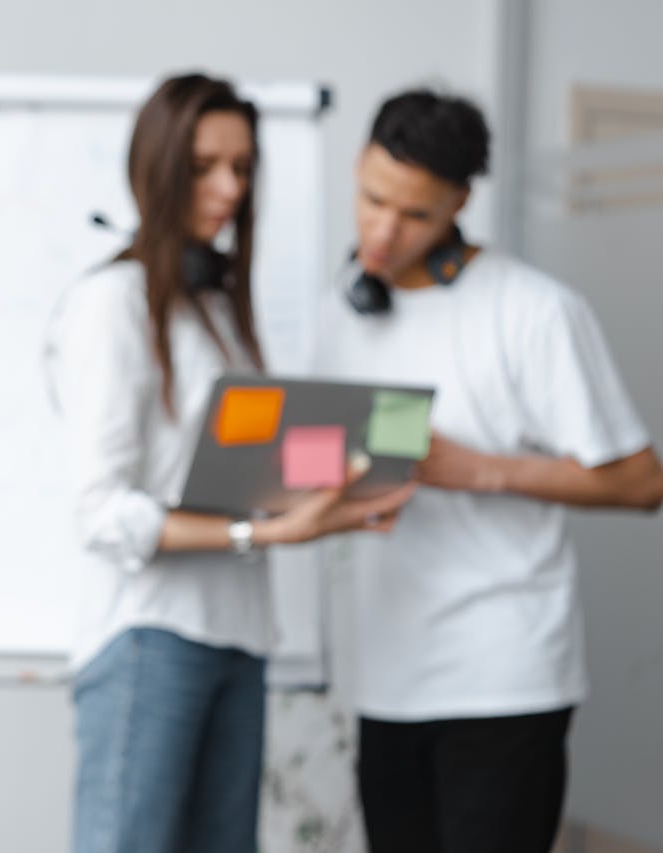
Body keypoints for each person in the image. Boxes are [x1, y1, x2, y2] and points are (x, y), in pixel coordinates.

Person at [42, 72, 415, 853]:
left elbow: (234, 472)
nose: (229, 187)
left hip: (240, 637)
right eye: (207, 165)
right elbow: (103, 512)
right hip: (151, 638)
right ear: (157, 166)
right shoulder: (114, 303)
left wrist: (339, 492)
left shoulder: (219, 310)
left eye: (243, 168)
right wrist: (262, 534)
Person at [312, 88, 663, 853]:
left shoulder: (533, 310)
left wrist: (479, 470)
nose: (381, 230)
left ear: (460, 204)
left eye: (414, 215)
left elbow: (643, 482)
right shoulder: (340, 313)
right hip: (387, 677)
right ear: (357, 168)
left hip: (504, 676)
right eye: (372, 199)